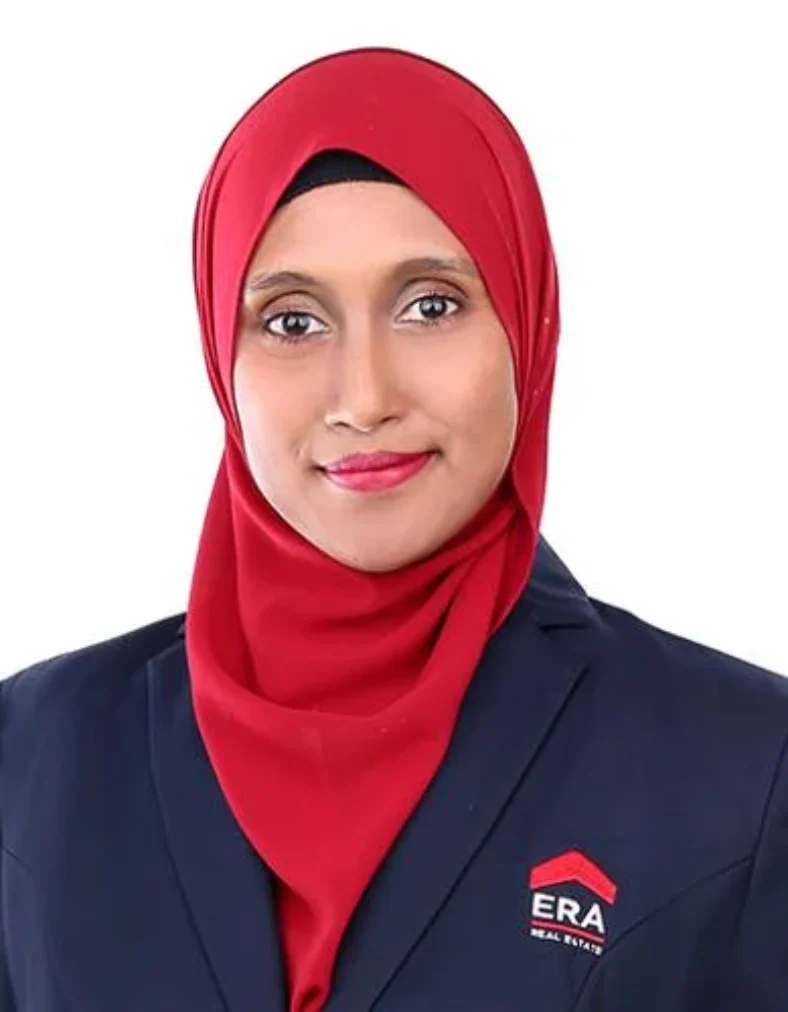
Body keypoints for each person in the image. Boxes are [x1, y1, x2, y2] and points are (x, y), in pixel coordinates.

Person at [1, 44, 786, 1012]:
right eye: (292, 321)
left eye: (430, 305)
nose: (364, 396)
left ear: (525, 327)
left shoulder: (743, 765)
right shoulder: (35, 754)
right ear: (219, 354)